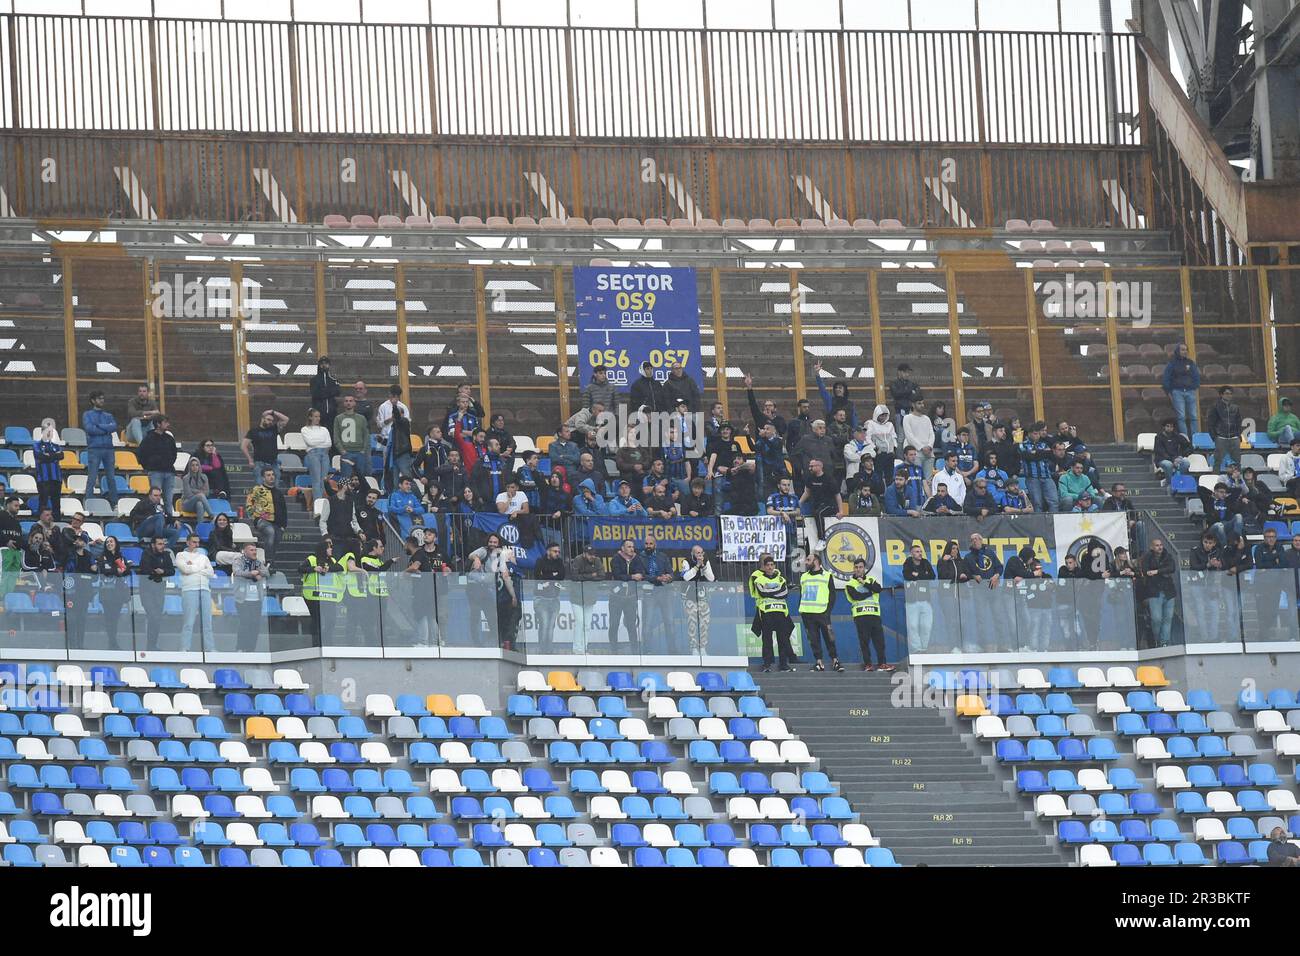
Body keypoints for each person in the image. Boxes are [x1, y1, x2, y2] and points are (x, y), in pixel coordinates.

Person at [469, 533, 519, 650]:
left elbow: (507, 571)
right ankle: (475, 643)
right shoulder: (483, 550)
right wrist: (476, 558)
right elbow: (471, 555)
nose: (492, 544)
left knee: (492, 617)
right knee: (475, 615)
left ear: (499, 544)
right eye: (490, 541)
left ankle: (495, 642)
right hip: (475, 589)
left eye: (495, 542)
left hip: (488, 590)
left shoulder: (501, 555)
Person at [749, 553, 796, 672]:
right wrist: (776, 591)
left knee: (783, 639)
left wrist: (770, 590)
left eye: (772, 565)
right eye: (767, 565)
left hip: (781, 612)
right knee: (767, 640)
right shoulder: (759, 578)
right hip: (766, 611)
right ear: (763, 567)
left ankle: (783, 664)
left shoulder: (781, 578)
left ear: (774, 565)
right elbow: (762, 592)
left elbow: (784, 593)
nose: (770, 567)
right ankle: (767, 664)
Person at [797, 552, 842, 672]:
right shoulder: (804, 577)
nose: (806, 562)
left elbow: (832, 595)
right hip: (807, 614)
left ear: (816, 561)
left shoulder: (827, 576)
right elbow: (802, 594)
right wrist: (801, 610)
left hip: (822, 613)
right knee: (813, 639)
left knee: (829, 637)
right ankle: (819, 663)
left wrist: (827, 611)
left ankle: (835, 661)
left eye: (808, 560)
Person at [845, 558, 890, 672]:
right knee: (864, 642)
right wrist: (870, 591)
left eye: (860, 567)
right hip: (860, 616)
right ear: (853, 569)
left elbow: (878, 589)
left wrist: (865, 583)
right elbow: (856, 596)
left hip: (874, 614)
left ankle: (882, 664)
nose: (858, 569)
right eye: (856, 567)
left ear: (864, 568)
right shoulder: (850, 584)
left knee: (880, 641)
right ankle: (868, 664)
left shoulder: (871, 579)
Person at [176, 533, 216, 652]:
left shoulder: (203, 557)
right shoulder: (181, 555)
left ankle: (210, 648)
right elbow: (184, 569)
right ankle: (184, 647)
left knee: (207, 622)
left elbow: (211, 572)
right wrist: (201, 569)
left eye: (198, 542)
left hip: (204, 589)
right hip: (189, 589)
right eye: (194, 542)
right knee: (189, 621)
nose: (196, 544)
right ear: (188, 542)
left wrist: (193, 568)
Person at [300, 539, 344, 646]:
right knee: (316, 621)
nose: (331, 549)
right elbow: (300, 569)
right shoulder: (312, 559)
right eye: (329, 547)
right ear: (324, 549)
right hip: (313, 596)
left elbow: (340, 568)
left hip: (328, 596)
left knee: (331, 620)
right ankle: (316, 643)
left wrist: (329, 568)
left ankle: (327, 640)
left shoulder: (332, 560)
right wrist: (314, 568)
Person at [639, 538, 677, 653]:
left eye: (651, 544)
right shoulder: (640, 557)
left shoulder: (662, 556)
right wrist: (657, 578)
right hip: (649, 593)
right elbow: (641, 575)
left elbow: (671, 572)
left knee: (669, 621)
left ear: (655, 545)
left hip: (664, 592)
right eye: (646, 544)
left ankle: (672, 650)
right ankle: (647, 650)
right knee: (648, 623)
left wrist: (668, 577)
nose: (648, 546)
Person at [82, 391, 120, 507]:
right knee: (92, 477)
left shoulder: (108, 415)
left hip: (108, 449)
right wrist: (106, 429)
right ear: (93, 400)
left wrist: (99, 426)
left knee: (111, 478)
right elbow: (90, 429)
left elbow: (114, 427)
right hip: (95, 448)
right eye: (99, 399)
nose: (102, 401)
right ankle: (88, 501)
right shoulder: (87, 414)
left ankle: (114, 503)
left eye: (103, 398)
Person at [137, 536, 174, 651]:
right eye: (159, 544)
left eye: (163, 543)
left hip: (159, 591)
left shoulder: (166, 555)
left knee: (157, 618)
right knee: (152, 616)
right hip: (147, 590)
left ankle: (152, 645)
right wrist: (157, 572)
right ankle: (150, 645)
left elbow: (171, 571)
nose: (162, 546)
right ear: (153, 544)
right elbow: (145, 570)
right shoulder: (146, 554)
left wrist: (162, 571)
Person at [137, 416, 179, 517]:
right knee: (155, 499)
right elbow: (141, 454)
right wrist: (148, 466)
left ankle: (170, 522)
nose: (168, 424)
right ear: (158, 424)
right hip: (155, 472)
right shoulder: (149, 438)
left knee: (168, 501)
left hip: (169, 472)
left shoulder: (169, 438)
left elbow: (174, 453)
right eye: (165, 422)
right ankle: (156, 521)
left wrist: (169, 463)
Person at [607, 539, 646, 649]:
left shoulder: (637, 558)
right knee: (614, 624)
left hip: (631, 598)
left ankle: (634, 652)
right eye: (629, 547)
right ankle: (614, 651)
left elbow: (641, 573)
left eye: (632, 546)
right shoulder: (615, 559)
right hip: (616, 598)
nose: (631, 549)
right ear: (622, 548)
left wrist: (633, 576)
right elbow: (618, 575)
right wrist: (632, 577)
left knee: (631, 626)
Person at [1139, 538, 1177, 648]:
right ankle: (1156, 639)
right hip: (1154, 592)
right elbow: (1146, 571)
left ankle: (1164, 642)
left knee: (1168, 618)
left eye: (1160, 545)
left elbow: (1172, 568)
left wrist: (1156, 571)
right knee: (1156, 619)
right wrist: (1163, 571)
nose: (1159, 547)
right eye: (1156, 545)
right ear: (1151, 547)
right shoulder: (1147, 557)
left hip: (1169, 591)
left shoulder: (1167, 555)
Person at [95, 536, 131, 650]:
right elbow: (104, 570)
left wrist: (126, 568)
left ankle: (113, 641)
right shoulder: (102, 557)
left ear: (116, 543)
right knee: (109, 618)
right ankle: (112, 642)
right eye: (107, 542)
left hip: (118, 593)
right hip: (106, 593)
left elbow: (126, 572)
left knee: (115, 618)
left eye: (111, 541)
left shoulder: (121, 557)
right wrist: (117, 571)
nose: (109, 543)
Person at [246, 468, 288, 568]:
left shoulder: (278, 492)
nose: (271, 477)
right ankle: (268, 561)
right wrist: (254, 518)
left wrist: (283, 525)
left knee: (275, 540)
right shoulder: (257, 490)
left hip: (277, 523)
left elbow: (284, 509)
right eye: (268, 475)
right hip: (262, 520)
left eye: (272, 474)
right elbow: (249, 504)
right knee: (270, 532)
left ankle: (270, 564)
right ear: (263, 478)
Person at [231, 541, 268, 652]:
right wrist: (252, 574)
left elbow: (267, 572)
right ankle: (240, 647)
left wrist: (259, 573)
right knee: (244, 623)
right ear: (245, 551)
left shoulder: (259, 562)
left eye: (255, 550)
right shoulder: (238, 561)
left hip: (257, 599)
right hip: (243, 599)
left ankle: (251, 649)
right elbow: (237, 572)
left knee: (255, 625)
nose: (254, 552)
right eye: (251, 550)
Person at [531, 542, 567, 652]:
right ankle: (543, 650)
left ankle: (549, 650)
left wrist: (547, 575)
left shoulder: (559, 562)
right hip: (541, 599)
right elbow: (538, 577)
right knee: (544, 624)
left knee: (551, 626)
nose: (557, 554)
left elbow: (561, 575)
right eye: (555, 551)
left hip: (555, 599)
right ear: (548, 551)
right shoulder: (540, 561)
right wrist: (553, 575)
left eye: (559, 552)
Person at [62, 535, 96, 649]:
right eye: (76, 539)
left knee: (82, 619)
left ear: (85, 543)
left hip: (85, 592)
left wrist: (94, 570)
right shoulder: (70, 554)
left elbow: (94, 572)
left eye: (80, 540)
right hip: (72, 592)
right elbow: (68, 572)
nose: (77, 541)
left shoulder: (89, 555)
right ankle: (72, 645)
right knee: (71, 619)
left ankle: (80, 645)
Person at [900, 543, 936, 652]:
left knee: (926, 625)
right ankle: (916, 648)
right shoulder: (907, 563)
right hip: (912, 601)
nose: (920, 553)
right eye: (917, 551)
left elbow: (932, 576)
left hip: (925, 600)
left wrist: (917, 575)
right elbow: (907, 575)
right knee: (913, 626)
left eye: (920, 551)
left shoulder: (925, 563)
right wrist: (922, 575)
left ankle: (925, 648)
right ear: (911, 553)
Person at [1018, 421, 1058, 514]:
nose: (1037, 436)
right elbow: (1027, 456)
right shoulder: (1022, 445)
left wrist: (1035, 453)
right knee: (1037, 503)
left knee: (1054, 501)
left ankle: (1054, 523)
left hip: (1047, 476)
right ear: (1029, 434)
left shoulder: (1043, 444)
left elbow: (1051, 455)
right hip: (1033, 477)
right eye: (1035, 434)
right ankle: (1038, 524)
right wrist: (1042, 453)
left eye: (1038, 434)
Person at [241, 409, 289, 487]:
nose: (270, 422)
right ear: (262, 419)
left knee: (275, 487)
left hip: (273, 462)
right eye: (268, 419)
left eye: (272, 420)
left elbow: (286, 419)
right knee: (261, 488)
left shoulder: (274, 429)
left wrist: (273, 412)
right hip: (259, 463)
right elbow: (243, 446)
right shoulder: (254, 431)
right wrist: (250, 460)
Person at [1161, 343, 1200, 437]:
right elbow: (1166, 378)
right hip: (1177, 392)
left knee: (1194, 416)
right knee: (1181, 417)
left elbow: (1196, 376)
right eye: (1182, 349)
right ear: (1177, 351)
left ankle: (1195, 439)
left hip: (1190, 392)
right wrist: (1170, 391)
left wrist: (1194, 386)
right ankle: (1184, 438)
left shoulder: (1190, 363)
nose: (1184, 351)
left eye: (1186, 349)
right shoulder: (1172, 364)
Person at [799, 458, 841, 537]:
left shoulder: (829, 479)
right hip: (817, 505)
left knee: (818, 513)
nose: (809, 468)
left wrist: (841, 511)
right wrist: (799, 503)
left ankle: (822, 539)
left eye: (812, 466)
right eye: (809, 466)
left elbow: (837, 495)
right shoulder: (810, 478)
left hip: (830, 505)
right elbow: (807, 492)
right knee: (815, 512)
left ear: (819, 466)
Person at [333, 394, 372, 481]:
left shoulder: (361, 418)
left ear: (354, 403)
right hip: (346, 453)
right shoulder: (338, 418)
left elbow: (366, 435)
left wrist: (363, 450)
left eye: (351, 401)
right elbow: (336, 436)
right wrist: (342, 451)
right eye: (346, 401)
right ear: (343, 403)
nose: (348, 403)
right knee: (345, 479)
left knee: (361, 479)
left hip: (359, 453)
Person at [301, 408, 333, 510]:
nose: (317, 418)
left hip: (324, 454)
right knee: (316, 480)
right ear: (310, 417)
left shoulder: (324, 429)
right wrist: (321, 442)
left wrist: (318, 442)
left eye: (319, 416)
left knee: (324, 480)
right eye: (315, 416)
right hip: (313, 454)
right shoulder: (305, 429)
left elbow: (329, 443)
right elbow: (310, 442)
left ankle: (325, 504)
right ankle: (318, 505)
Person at [1206, 385, 1242, 472]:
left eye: (1230, 394)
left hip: (1234, 437)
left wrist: (1238, 435)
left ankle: (1237, 481)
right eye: (1226, 393)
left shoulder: (1235, 407)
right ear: (1221, 395)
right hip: (1221, 437)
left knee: (1237, 462)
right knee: (1218, 461)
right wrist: (1215, 437)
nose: (1229, 395)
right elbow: (1210, 423)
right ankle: (1215, 481)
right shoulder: (1215, 407)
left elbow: (1239, 422)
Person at [33, 419, 63, 519]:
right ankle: (40, 525)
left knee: (56, 504)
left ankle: (57, 524)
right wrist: (53, 456)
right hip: (43, 479)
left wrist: (48, 456)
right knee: (43, 503)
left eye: (50, 431)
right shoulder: (36, 445)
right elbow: (41, 456)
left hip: (56, 478)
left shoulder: (56, 445)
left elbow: (61, 455)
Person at [901, 401, 936, 479]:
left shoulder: (927, 418)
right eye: (919, 403)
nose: (922, 405)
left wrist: (929, 446)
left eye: (923, 403)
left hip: (929, 454)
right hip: (915, 454)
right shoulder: (907, 418)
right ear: (913, 404)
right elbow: (909, 436)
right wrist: (921, 448)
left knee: (928, 481)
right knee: (916, 479)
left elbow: (932, 434)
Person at [1153, 418, 1192, 483]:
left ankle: (1179, 481)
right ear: (1164, 427)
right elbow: (1160, 452)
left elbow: (1189, 447)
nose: (1169, 428)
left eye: (1171, 426)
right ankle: (1170, 483)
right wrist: (1173, 459)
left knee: (1186, 463)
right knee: (1168, 464)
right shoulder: (1158, 437)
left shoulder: (1177, 436)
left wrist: (1181, 456)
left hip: (1176, 458)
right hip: (1162, 459)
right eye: (1167, 426)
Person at [309, 356, 342, 433]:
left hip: (332, 413)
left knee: (332, 433)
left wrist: (324, 391)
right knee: (318, 433)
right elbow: (315, 393)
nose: (324, 365)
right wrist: (329, 392)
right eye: (322, 363)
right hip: (318, 414)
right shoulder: (314, 380)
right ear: (319, 365)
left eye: (326, 363)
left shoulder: (333, 379)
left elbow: (337, 392)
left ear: (329, 365)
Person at [889, 363, 922, 434]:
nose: (907, 374)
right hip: (900, 412)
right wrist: (910, 391)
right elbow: (896, 394)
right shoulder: (894, 383)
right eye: (905, 372)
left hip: (911, 412)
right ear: (899, 372)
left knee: (913, 434)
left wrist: (904, 393)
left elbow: (917, 395)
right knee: (901, 436)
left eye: (908, 372)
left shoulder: (912, 384)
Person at [179, 457, 213, 523]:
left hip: (197, 504)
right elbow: (188, 495)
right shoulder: (186, 478)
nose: (195, 467)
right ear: (189, 467)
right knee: (200, 496)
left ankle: (199, 528)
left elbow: (207, 493)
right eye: (192, 465)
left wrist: (192, 490)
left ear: (199, 466)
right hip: (187, 504)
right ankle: (212, 515)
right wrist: (200, 493)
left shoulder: (204, 477)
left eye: (197, 465)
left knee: (199, 504)